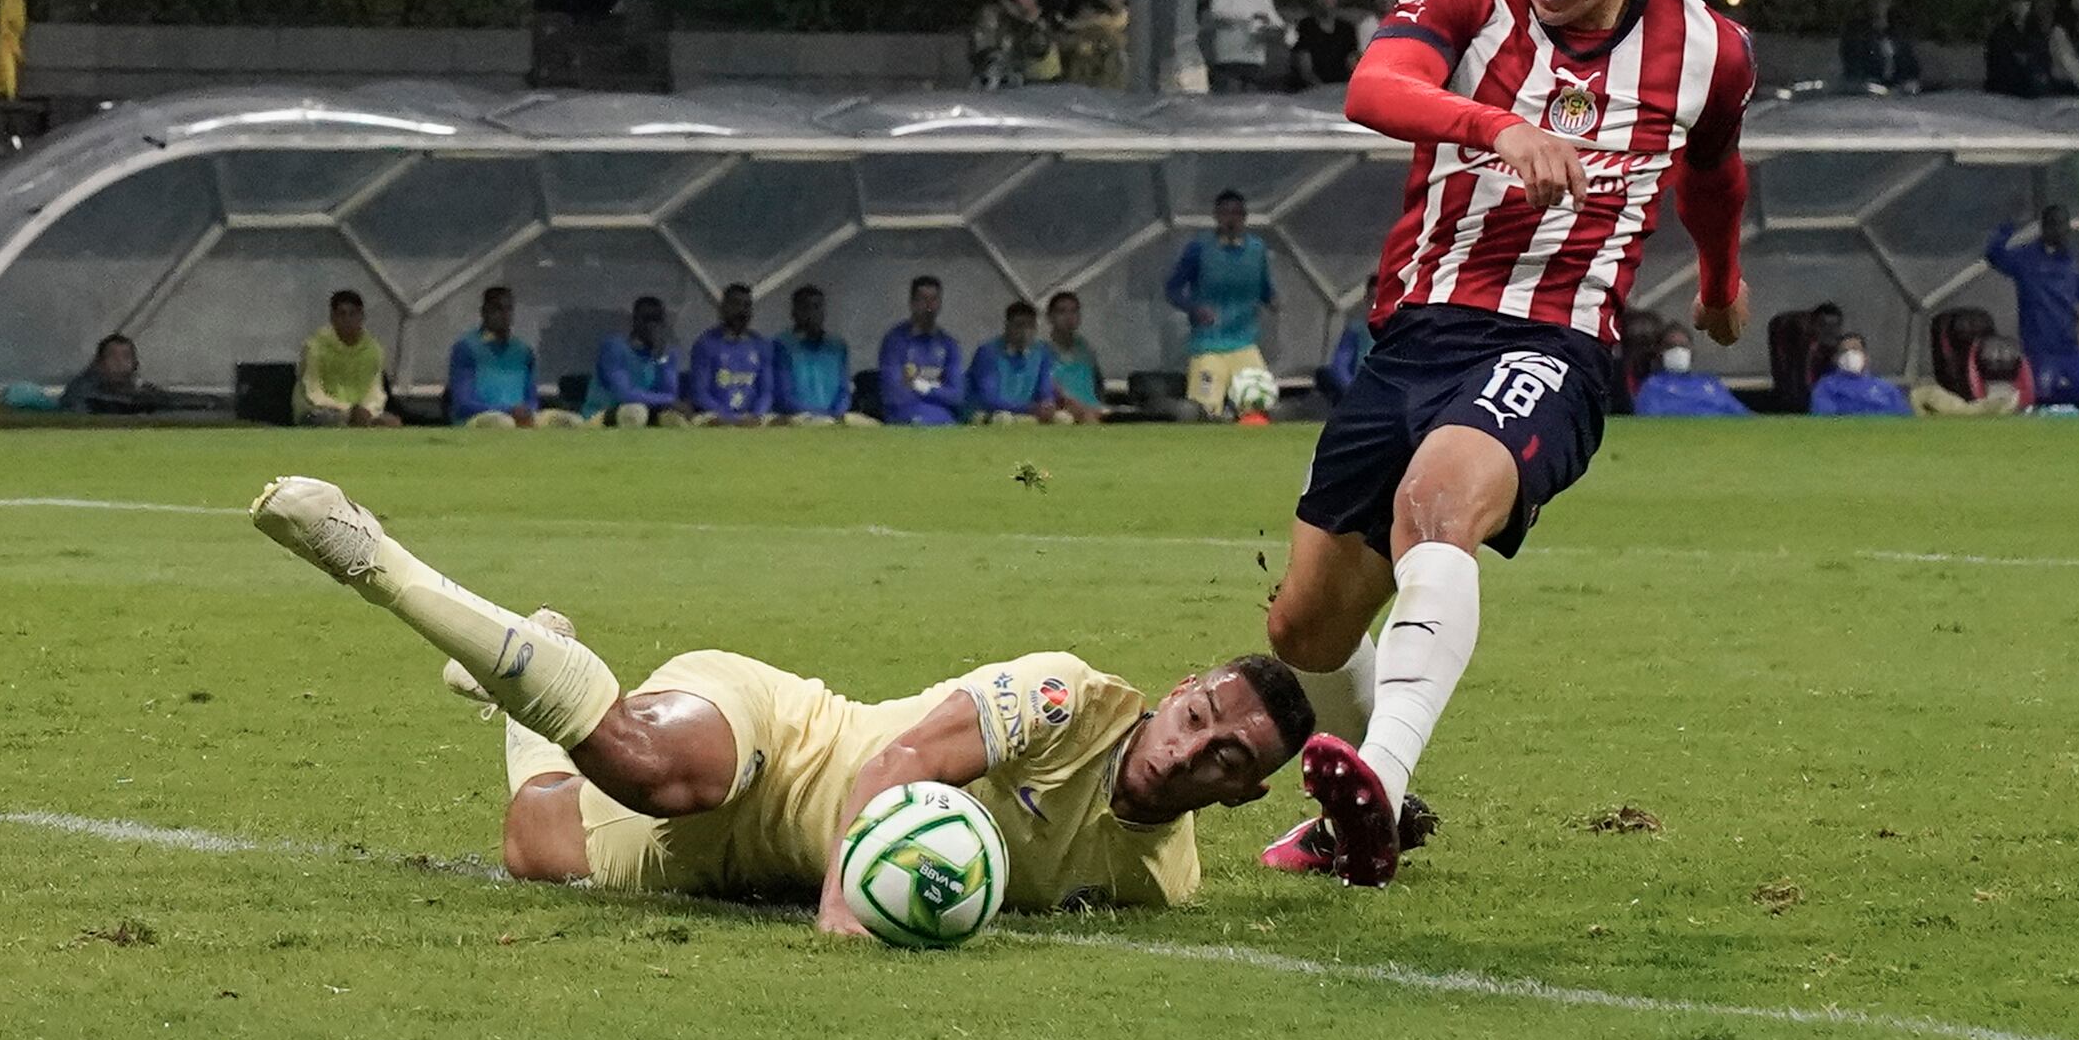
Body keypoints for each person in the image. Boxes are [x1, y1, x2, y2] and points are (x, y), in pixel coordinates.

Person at [1263, 0, 1756, 887]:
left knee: (1436, 503)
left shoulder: (1709, 50)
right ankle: (1378, 800)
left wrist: (1720, 282)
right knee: (1304, 628)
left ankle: (1379, 783)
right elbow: (1372, 89)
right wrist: (1498, 126)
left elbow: (1715, 171)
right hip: (1415, 333)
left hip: (1555, 339)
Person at [249, 475, 1318, 929]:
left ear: (1243, 795)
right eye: (1199, 718)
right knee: (652, 766)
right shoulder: (1067, 698)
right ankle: (374, 558)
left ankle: (535, 675)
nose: (1192, 750)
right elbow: (900, 766)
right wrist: (848, 907)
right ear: (1178, 691)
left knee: (533, 842)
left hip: (741, 867)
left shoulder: (1160, 884)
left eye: (1226, 759)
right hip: (784, 735)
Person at [1165, 190, 1275, 419]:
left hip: (1244, 342)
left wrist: (1271, 300)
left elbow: (1263, 286)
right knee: (1205, 406)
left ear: (1244, 217)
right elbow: (1173, 289)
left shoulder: (1257, 249)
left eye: (1236, 213)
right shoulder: (1199, 249)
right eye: (1225, 213)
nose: (1231, 219)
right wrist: (1193, 308)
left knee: (1258, 401)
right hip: (1209, 345)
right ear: (1216, 215)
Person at [1986, 207, 2079, 406]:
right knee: (2042, 397)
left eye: (2065, 224)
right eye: (2056, 224)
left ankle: (2065, 410)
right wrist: (2010, 225)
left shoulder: (2070, 258)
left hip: (2069, 347)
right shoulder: (2026, 258)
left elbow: (2078, 290)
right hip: (2040, 349)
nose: (2062, 230)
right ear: (2045, 227)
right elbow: (1993, 255)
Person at [447, 287, 579, 428]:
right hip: (477, 420)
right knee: (504, 423)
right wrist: (508, 410)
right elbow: (463, 404)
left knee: (570, 421)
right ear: (484, 312)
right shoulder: (467, 348)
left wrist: (527, 412)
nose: (504, 315)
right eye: (497, 309)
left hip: (520, 419)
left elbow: (531, 399)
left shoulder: (523, 351)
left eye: (508, 309)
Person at [294, 290, 399, 427]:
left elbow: (375, 391)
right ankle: (363, 423)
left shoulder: (373, 350)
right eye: (342, 314)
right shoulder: (314, 347)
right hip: (316, 411)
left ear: (362, 316)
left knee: (391, 420)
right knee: (326, 418)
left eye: (353, 314)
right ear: (333, 318)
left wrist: (368, 411)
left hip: (360, 413)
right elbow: (313, 393)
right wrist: (349, 411)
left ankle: (368, 423)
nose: (347, 320)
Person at [773, 285, 873, 425]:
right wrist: (817, 416)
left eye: (817, 307)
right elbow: (783, 396)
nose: (812, 313)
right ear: (794, 312)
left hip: (834, 418)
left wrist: (834, 414)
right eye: (805, 308)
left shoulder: (837, 346)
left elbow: (844, 390)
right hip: (797, 419)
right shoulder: (781, 345)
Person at [582, 295, 684, 427]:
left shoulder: (668, 354)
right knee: (634, 410)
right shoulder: (614, 347)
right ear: (634, 321)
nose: (651, 326)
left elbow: (670, 393)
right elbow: (623, 394)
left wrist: (660, 357)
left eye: (656, 320)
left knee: (673, 418)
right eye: (646, 319)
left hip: (648, 415)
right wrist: (668, 401)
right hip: (604, 414)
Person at [879, 275, 964, 425]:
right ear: (912, 303)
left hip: (942, 416)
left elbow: (956, 395)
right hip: (903, 415)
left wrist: (921, 387)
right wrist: (937, 390)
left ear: (940, 304)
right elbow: (894, 393)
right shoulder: (895, 341)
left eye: (934, 300)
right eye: (923, 300)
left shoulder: (949, 344)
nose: (929, 307)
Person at [688, 284, 776, 426]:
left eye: (746, 305)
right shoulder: (705, 344)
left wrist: (756, 415)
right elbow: (700, 394)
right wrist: (731, 418)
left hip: (753, 418)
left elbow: (766, 392)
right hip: (717, 417)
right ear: (722, 308)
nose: (741, 310)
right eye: (735, 304)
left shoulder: (761, 345)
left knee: (785, 422)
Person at [1206, 0, 1287, 92]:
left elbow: (1270, 13)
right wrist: (1251, 16)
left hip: (1255, 55)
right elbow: (1217, 11)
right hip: (1230, 54)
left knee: (1252, 98)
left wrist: (1280, 27)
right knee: (1231, 96)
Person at [969, 301, 1060, 424]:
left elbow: (1045, 389)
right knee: (1003, 420)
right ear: (1007, 326)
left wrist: (1047, 404)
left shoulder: (1042, 353)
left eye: (1030, 326)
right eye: (1019, 325)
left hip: (1027, 413)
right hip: (989, 413)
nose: (1025, 332)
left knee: (1062, 419)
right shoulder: (988, 352)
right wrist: (1029, 408)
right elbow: (988, 399)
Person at [1632, 323, 1751, 417]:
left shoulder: (1710, 382)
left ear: (1691, 350)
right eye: (1671, 346)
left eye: (1683, 346)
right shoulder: (1653, 386)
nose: (1678, 351)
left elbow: (1741, 413)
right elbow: (1649, 419)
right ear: (1660, 351)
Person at [60, 333, 179, 415]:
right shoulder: (82, 390)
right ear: (99, 364)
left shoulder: (144, 391)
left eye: (126, 357)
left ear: (135, 364)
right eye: (112, 356)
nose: (119, 362)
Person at [1837, 0, 1921, 92]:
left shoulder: (1899, 33)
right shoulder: (1855, 35)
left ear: (1889, 2)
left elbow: (1911, 67)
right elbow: (1855, 72)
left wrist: (1911, 83)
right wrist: (1876, 89)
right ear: (1866, 3)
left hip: (1901, 94)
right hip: (1867, 95)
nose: (1878, 3)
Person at [1043, 290, 1107, 423]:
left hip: (1095, 411)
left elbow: (1098, 384)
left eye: (1074, 311)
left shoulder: (1086, 349)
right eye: (1062, 311)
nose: (1069, 317)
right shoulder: (1041, 352)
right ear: (1050, 317)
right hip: (1064, 415)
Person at [1810, 333, 1912, 416]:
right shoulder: (1827, 386)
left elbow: (1905, 418)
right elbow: (1825, 416)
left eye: (1855, 349)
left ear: (1866, 357)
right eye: (1844, 351)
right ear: (1836, 358)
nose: (1850, 355)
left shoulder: (1886, 388)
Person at [1317, 275, 1380, 406]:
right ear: (1366, 299)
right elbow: (1340, 366)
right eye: (1373, 298)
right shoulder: (1356, 330)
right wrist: (1355, 392)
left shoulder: (1401, 331)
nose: (1376, 305)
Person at [1985, 0, 2051, 98]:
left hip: (2032, 81)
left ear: (2029, 6)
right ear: (2011, 6)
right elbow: (1997, 61)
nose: (2021, 6)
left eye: (2025, 3)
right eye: (2017, 3)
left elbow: (2044, 58)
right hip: (2007, 83)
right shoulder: (2000, 32)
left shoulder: (2037, 31)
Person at [1293, 0, 1361, 89]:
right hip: (1311, 90)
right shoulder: (1306, 26)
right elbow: (1305, 70)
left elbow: (1352, 64)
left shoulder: (1347, 29)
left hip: (1340, 88)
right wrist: (1323, 90)